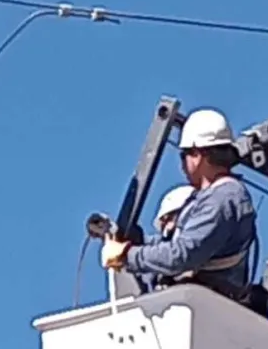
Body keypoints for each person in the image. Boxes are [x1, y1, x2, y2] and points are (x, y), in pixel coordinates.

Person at [101, 107, 257, 301]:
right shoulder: (211, 197)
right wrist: (138, 240)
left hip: (203, 307)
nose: (182, 163)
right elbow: (174, 243)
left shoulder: (223, 198)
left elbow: (182, 255)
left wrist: (127, 256)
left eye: (184, 154)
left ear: (198, 154)